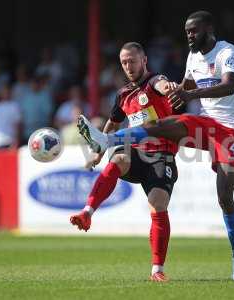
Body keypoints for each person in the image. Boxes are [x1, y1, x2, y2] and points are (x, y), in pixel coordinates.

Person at [77, 11, 234, 281]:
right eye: (187, 32)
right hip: (205, 123)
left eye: (194, 31)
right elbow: (181, 89)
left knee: (225, 198)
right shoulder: (192, 59)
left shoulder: (228, 53)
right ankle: (107, 142)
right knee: (163, 124)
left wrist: (182, 91)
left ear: (208, 29)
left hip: (231, 131)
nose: (189, 36)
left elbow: (228, 87)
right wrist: (175, 90)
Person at [70, 42, 179, 282]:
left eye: (132, 61)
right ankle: (87, 212)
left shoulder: (154, 81)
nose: (128, 66)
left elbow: (162, 85)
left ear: (144, 60)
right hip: (137, 153)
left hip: (162, 155)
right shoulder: (123, 94)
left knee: (158, 205)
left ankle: (157, 270)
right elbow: (114, 122)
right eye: (124, 62)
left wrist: (168, 86)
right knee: (119, 157)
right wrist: (99, 152)